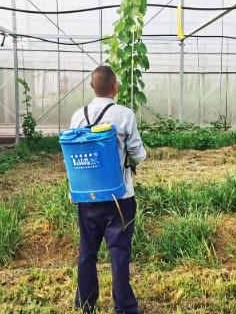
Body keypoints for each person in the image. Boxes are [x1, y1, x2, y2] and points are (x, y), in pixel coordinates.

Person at [70, 65, 146, 314]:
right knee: (119, 253)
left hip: (88, 197)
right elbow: (138, 154)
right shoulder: (124, 115)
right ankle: (124, 307)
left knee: (87, 252)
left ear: (92, 87)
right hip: (119, 198)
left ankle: (86, 304)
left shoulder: (78, 116)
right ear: (116, 87)